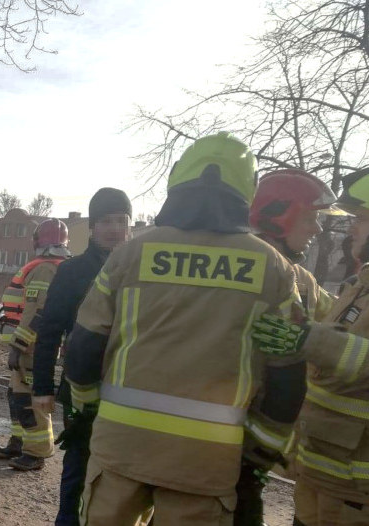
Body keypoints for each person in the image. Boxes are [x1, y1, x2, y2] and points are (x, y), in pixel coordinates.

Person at [65, 132, 305, 525]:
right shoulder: (274, 270)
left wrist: (87, 411)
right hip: (209, 462)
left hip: (122, 447)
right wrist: (259, 456)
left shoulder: (131, 254)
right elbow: (287, 377)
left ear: (176, 181)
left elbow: (84, 346)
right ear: (248, 191)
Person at [250, 168, 369, 526]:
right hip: (321, 473)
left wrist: (311, 341)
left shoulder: (307, 281)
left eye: (361, 219)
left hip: (353, 486)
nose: (350, 228)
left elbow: (319, 337)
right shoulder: (358, 285)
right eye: (312, 218)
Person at [233, 169, 340, 525]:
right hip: (226, 434)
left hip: (267, 438)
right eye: (311, 218)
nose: (317, 229)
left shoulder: (303, 280)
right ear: (280, 215)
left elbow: (342, 317)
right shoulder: (242, 267)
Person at [30, 187, 132, 524]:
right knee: (77, 468)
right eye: (106, 221)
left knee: (122, 479)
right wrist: (42, 387)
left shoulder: (144, 271)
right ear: (92, 227)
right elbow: (49, 332)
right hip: (81, 389)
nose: (115, 228)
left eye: (122, 220)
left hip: (131, 392)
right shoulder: (72, 272)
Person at [0, 218, 71, 471]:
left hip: (32, 348)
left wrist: (19, 345)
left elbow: (38, 311)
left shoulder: (45, 269)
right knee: (17, 396)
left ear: (38, 241)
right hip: (29, 345)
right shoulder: (52, 266)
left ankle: (36, 451)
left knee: (29, 398)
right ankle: (19, 441)